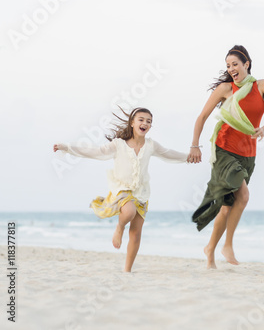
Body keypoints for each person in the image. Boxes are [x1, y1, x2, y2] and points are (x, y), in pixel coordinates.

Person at [54, 107, 190, 272]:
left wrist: (189, 157)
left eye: (149, 121)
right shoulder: (118, 144)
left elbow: (169, 153)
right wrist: (67, 147)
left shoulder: (151, 145)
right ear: (132, 123)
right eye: (141, 119)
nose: (145, 123)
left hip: (141, 193)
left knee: (136, 233)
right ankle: (119, 228)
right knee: (129, 211)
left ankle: (127, 270)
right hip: (122, 189)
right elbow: (94, 152)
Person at [188, 45, 264, 269]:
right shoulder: (226, 88)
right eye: (228, 66)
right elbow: (202, 117)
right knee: (244, 195)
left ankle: (210, 249)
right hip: (225, 148)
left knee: (229, 206)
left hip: (249, 152)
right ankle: (227, 245)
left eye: (234, 64)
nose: (231, 69)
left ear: (246, 64)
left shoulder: (263, 86)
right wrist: (195, 146)